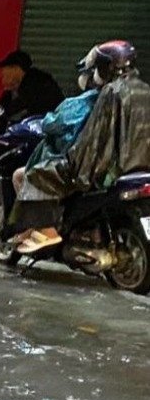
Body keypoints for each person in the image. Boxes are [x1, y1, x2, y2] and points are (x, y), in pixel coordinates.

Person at [16, 40, 150, 254]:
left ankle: (48, 231)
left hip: (110, 169)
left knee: (37, 174)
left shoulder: (111, 92)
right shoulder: (145, 90)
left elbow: (94, 141)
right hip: (139, 169)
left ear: (108, 66)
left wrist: (73, 164)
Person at [0, 50, 63, 127]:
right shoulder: (28, 81)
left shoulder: (35, 81)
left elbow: (13, 108)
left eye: (4, 69)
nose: (2, 73)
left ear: (16, 69)